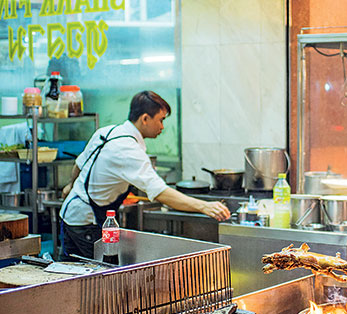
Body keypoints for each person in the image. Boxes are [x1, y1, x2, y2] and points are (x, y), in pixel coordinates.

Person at [60, 90, 230, 260]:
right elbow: (160, 193)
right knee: (98, 279)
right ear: (145, 119)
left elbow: (79, 164)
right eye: (161, 120)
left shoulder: (107, 131)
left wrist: (70, 186)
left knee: (69, 272)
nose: (163, 127)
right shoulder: (128, 149)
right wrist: (204, 206)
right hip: (87, 223)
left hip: (70, 215)